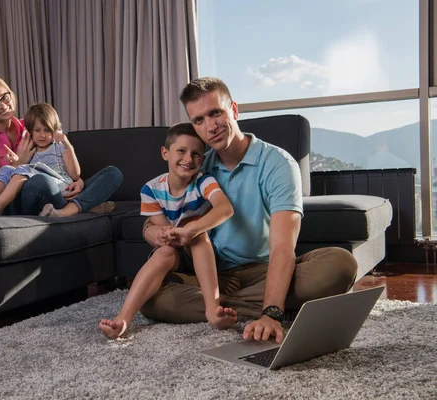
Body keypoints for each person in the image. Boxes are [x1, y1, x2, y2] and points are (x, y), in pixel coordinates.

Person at [140, 77, 358, 344]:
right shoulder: (197, 164)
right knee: (149, 298)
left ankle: (239, 306)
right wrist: (153, 233)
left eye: (215, 113)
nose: (210, 127)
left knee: (340, 265)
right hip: (212, 275)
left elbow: (282, 246)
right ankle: (225, 305)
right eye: (198, 120)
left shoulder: (277, 163)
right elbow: (158, 216)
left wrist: (271, 312)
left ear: (233, 109)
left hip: (264, 270)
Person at [99, 123, 236, 339]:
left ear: (202, 158)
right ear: (165, 153)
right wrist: (165, 234)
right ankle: (123, 319)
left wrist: (191, 229)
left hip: (203, 252)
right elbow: (162, 229)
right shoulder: (151, 189)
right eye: (181, 151)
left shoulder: (204, 181)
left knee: (198, 236)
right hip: (175, 254)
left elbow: (225, 208)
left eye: (196, 154)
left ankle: (212, 309)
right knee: (164, 252)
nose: (188, 159)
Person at [0, 74, 122, 217]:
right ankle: (87, 205)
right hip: (21, 200)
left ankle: (70, 209)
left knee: (113, 173)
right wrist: (17, 164)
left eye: (4, 97)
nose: (2, 105)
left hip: (58, 188)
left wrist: (78, 181)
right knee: (40, 181)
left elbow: (62, 160)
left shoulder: (32, 125)